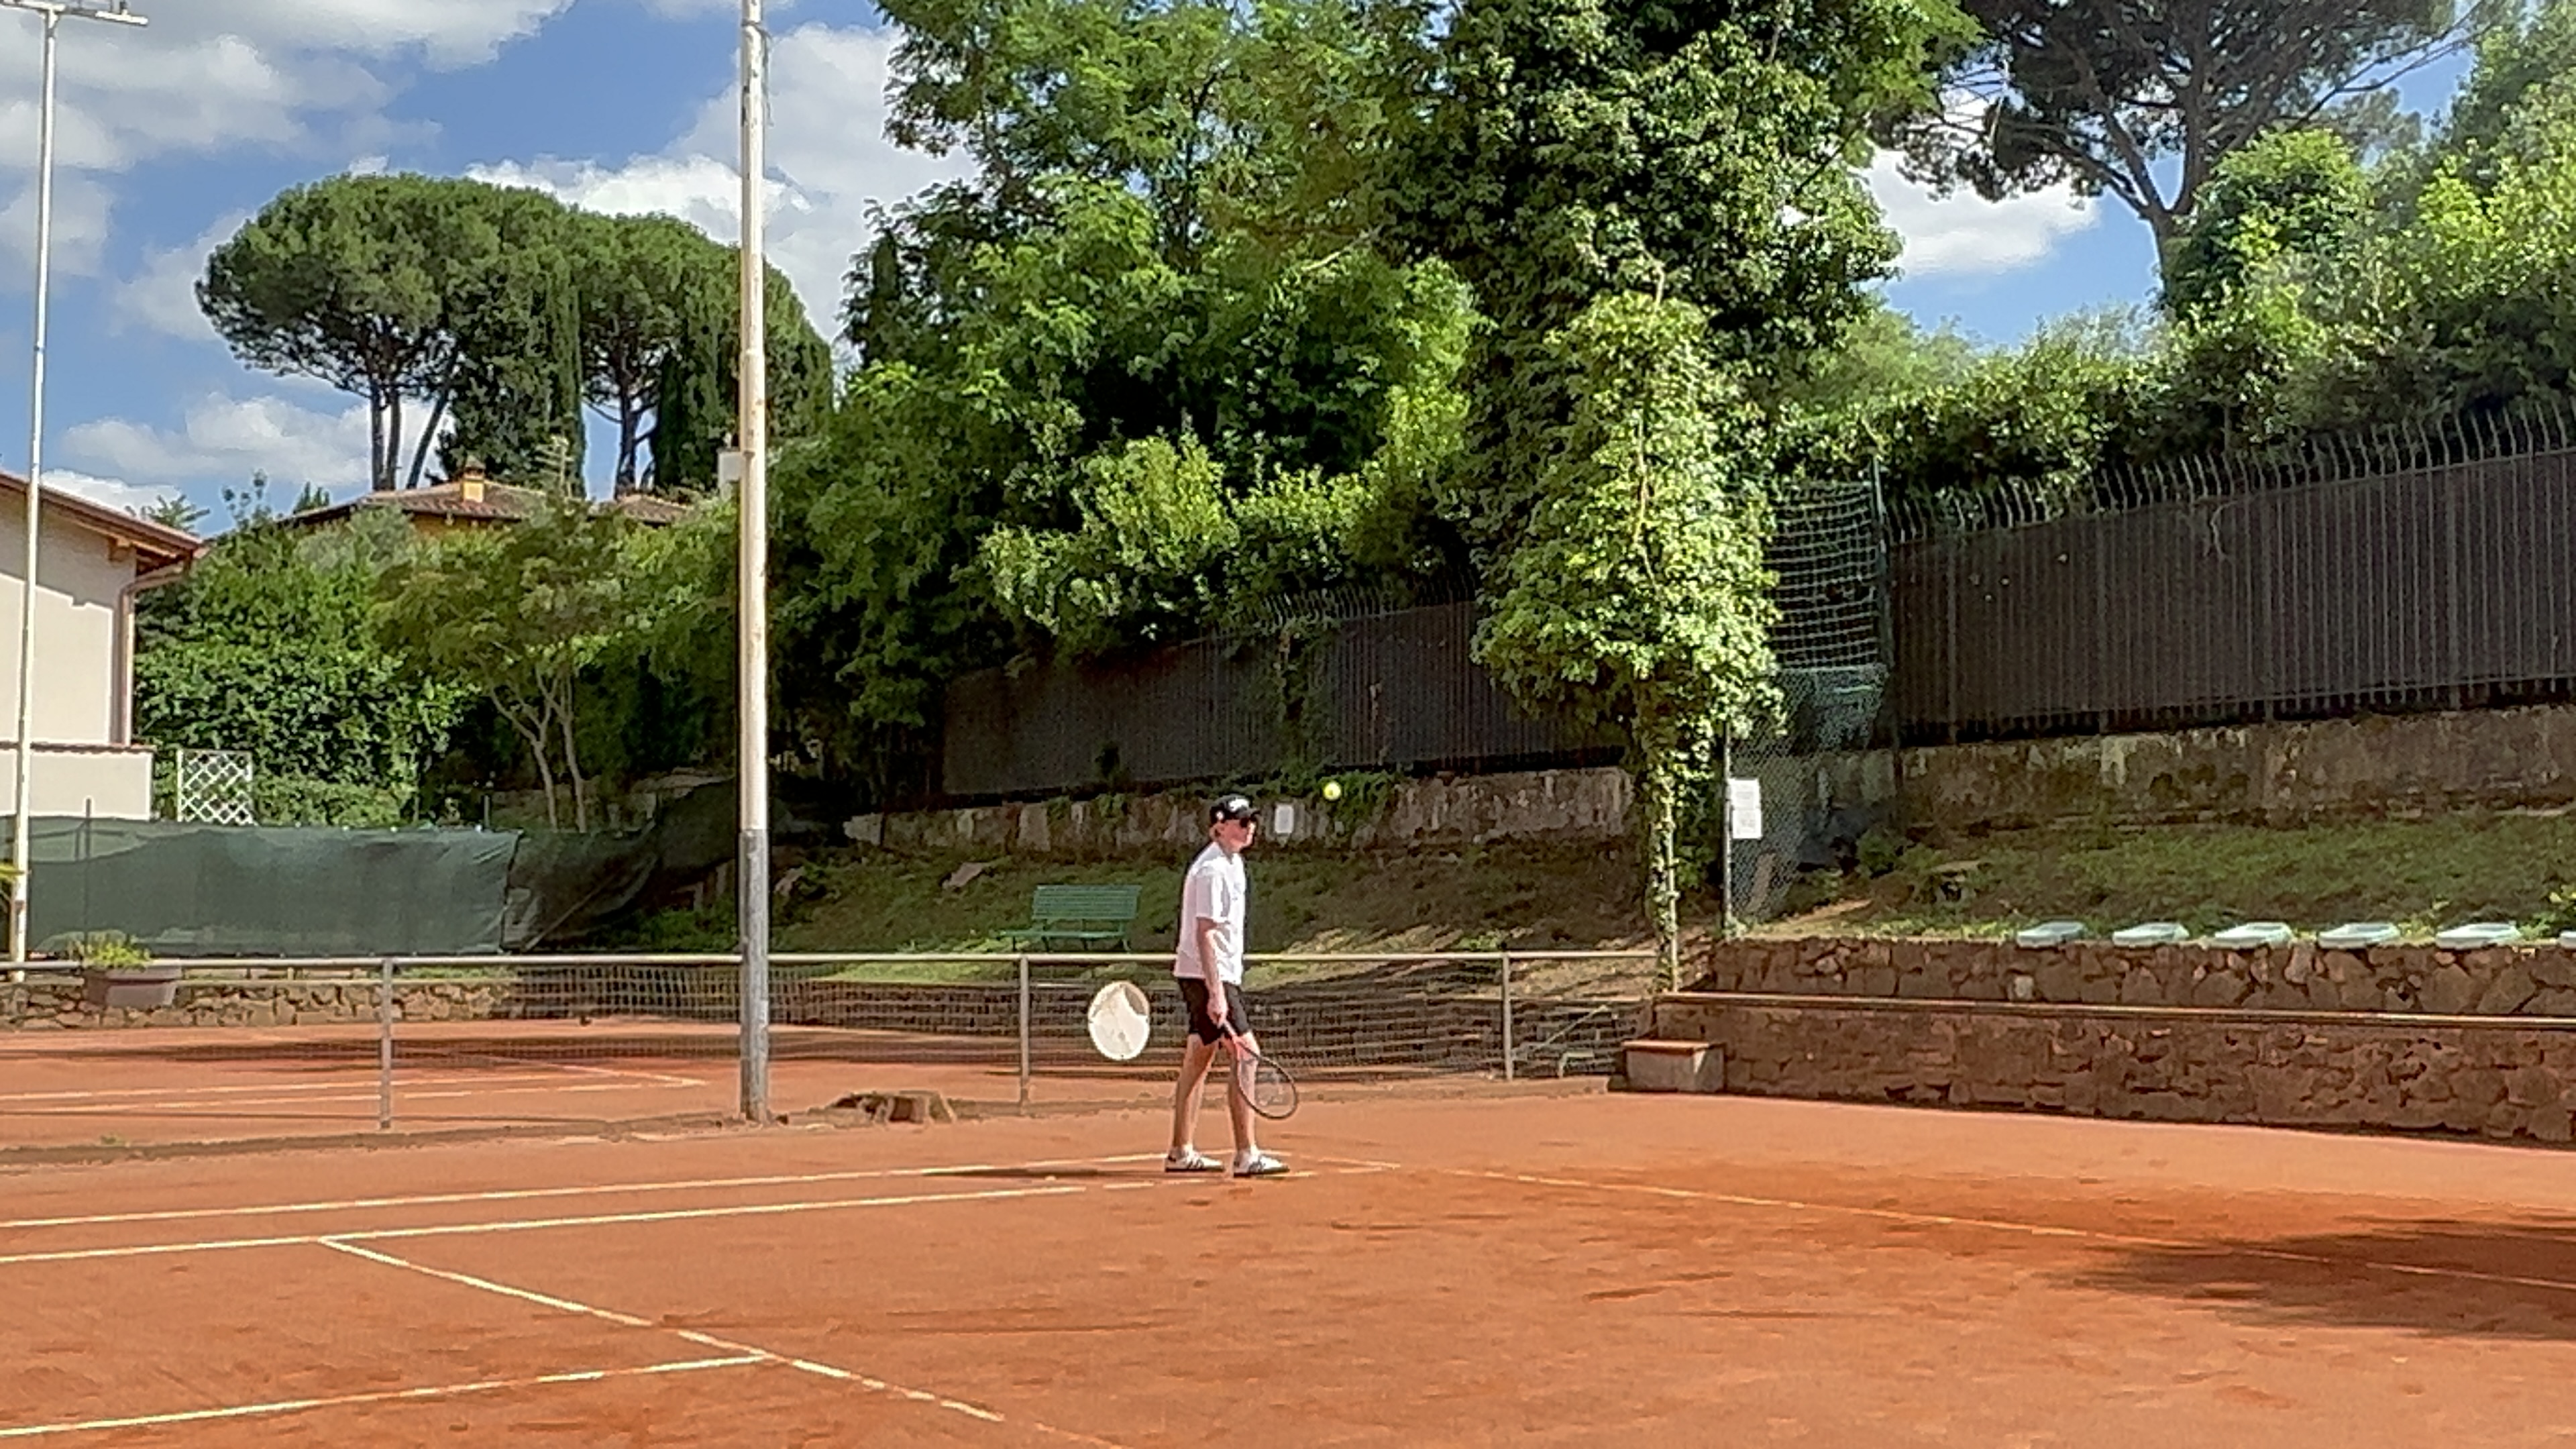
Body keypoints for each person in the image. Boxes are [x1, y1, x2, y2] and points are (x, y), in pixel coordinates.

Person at [1165, 794, 1287, 1177]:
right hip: (1207, 974)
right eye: (1241, 822)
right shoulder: (1212, 870)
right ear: (1219, 826)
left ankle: (1180, 1152)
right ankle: (1247, 1154)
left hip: (1211, 973)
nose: (1250, 828)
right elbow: (1205, 934)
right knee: (1247, 1054)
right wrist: (1216, 993)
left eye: (1251, 821)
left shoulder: (1233, 864)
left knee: (1199, 1057)